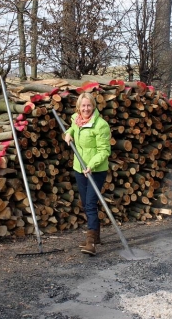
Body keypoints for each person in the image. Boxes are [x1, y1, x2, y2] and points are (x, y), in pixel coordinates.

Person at [64, 92, 111, 256]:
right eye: (83, 105)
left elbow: (105, 150)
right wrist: (68, 133)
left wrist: (91, 165)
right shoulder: (76, 120)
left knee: (90, 204)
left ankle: (91, 242)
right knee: (86, 203)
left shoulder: (101, 125)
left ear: (94, 106)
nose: (86, 109)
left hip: (95, 170)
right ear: (79, 107)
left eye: (89, 105)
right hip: (79, 168)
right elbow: (72, 127)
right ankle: (96, 236)